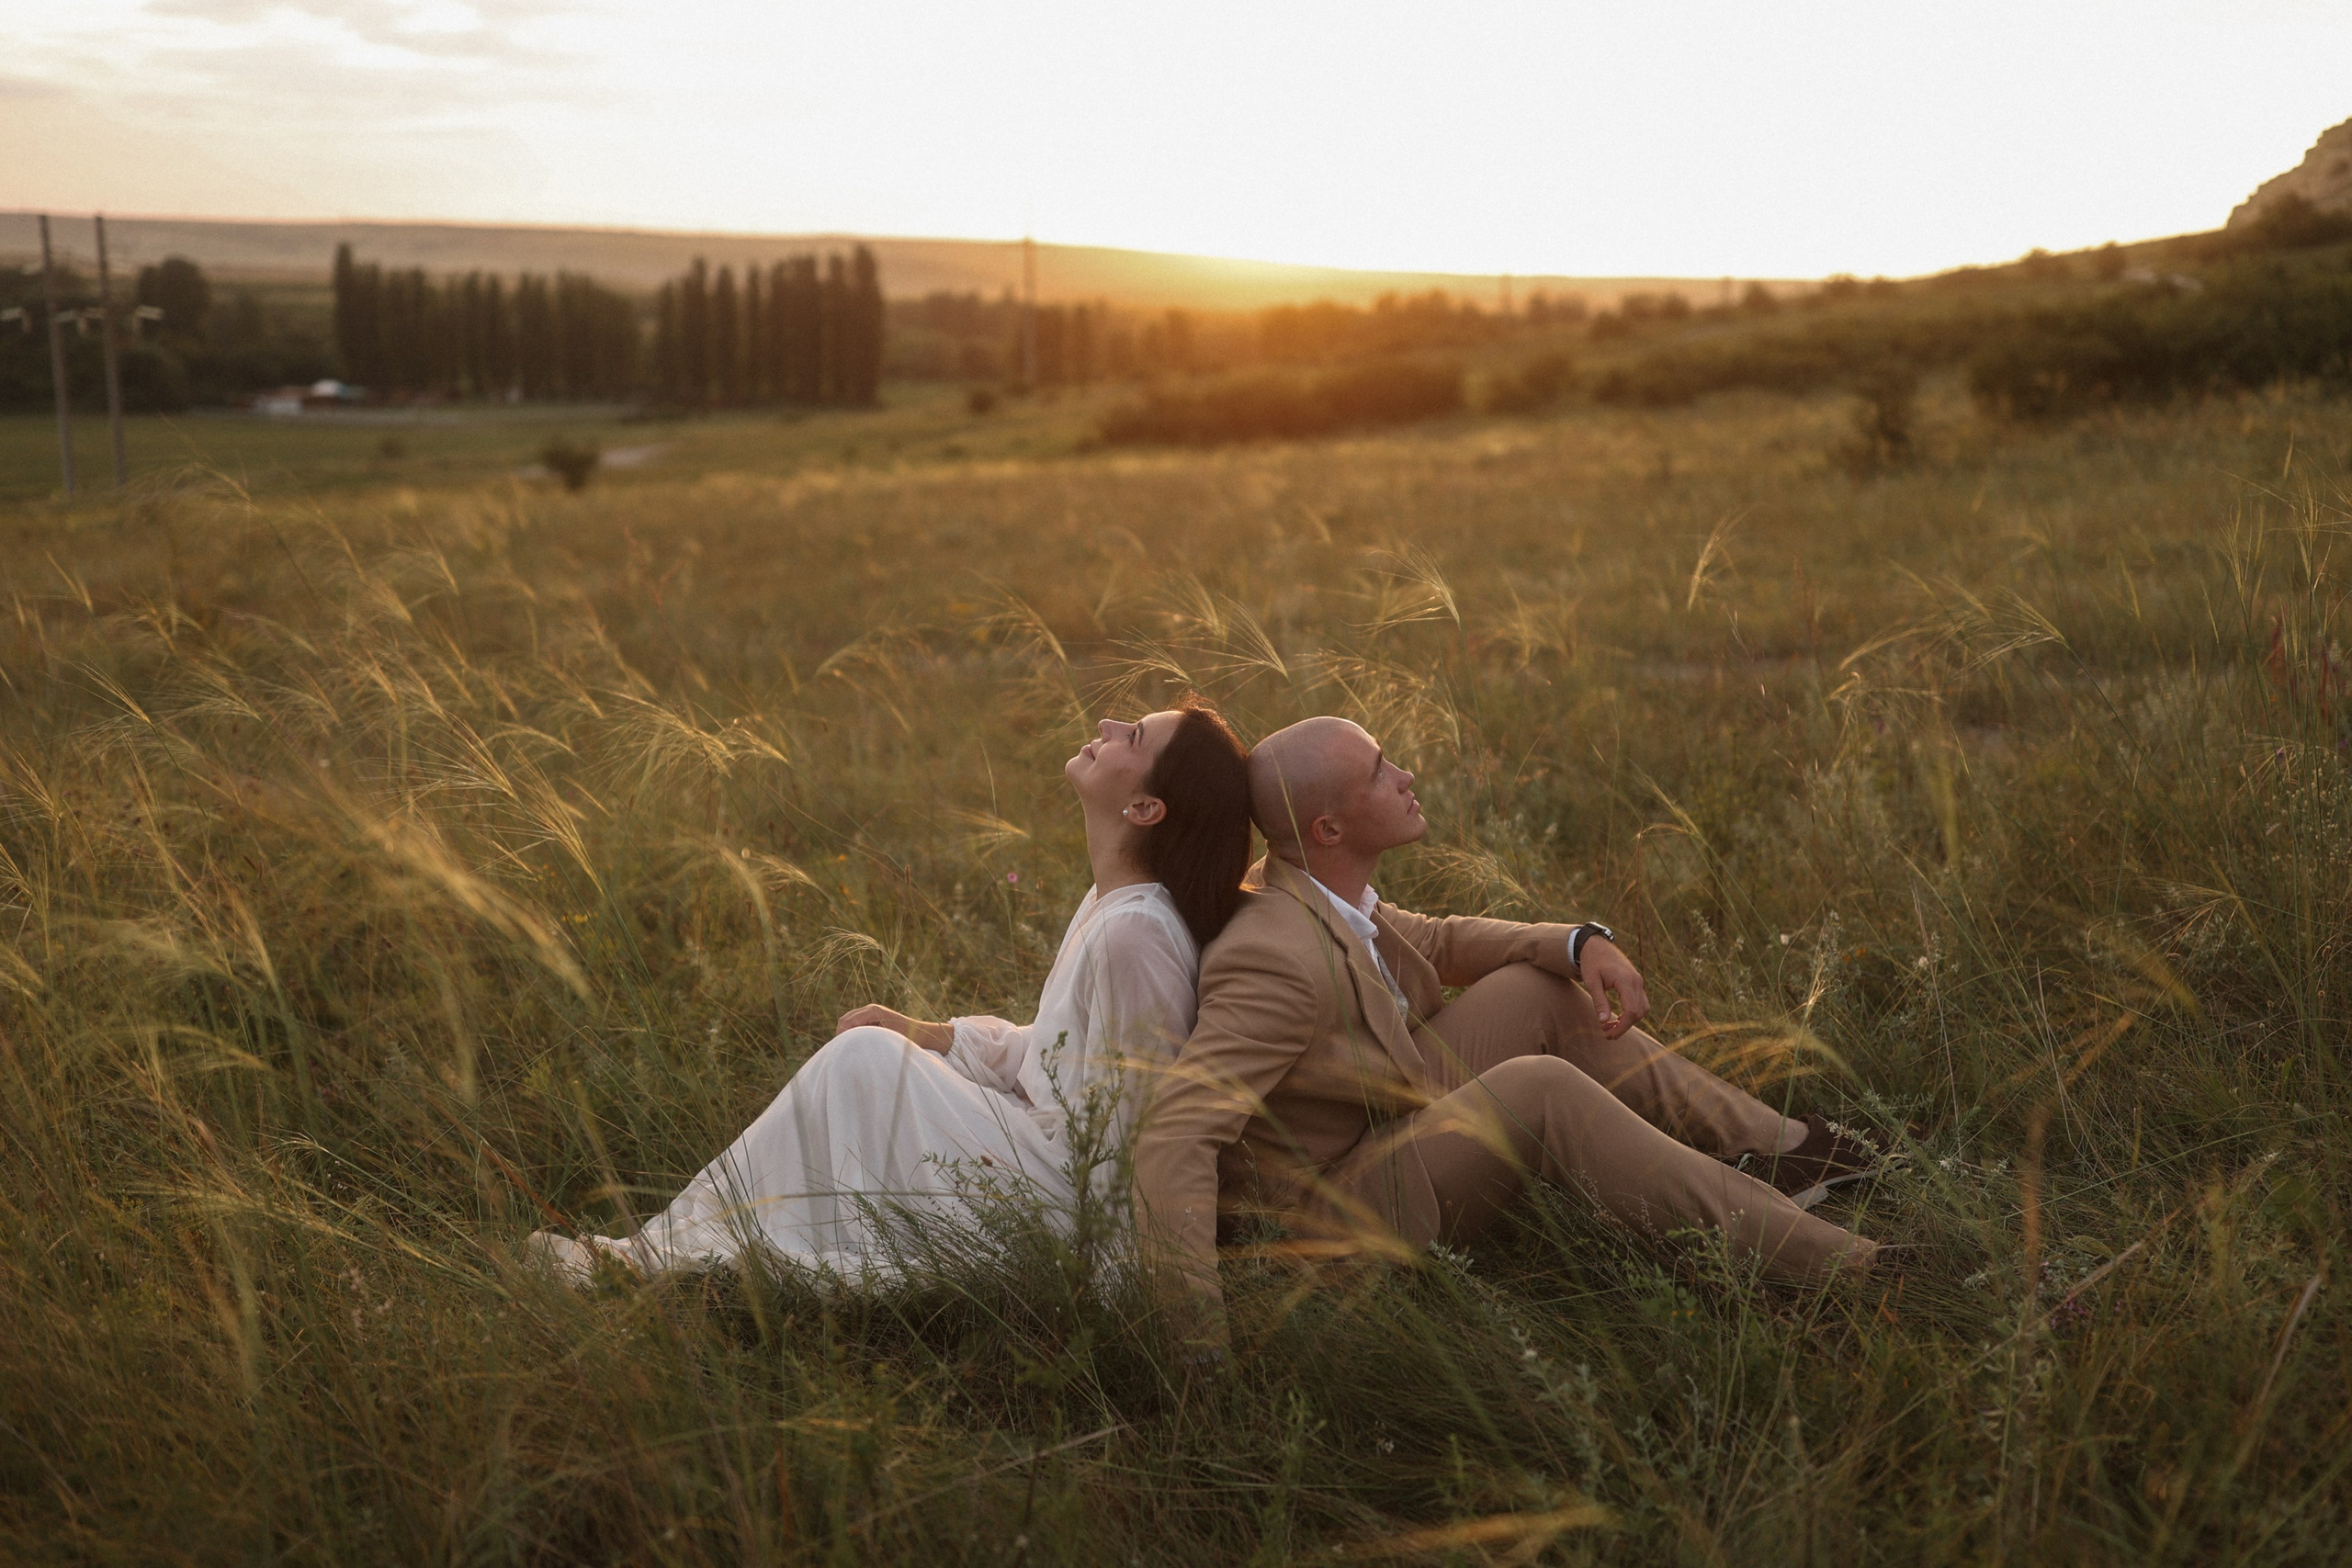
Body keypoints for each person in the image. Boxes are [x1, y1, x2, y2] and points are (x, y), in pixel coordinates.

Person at [1132, 716, 1888, 1351]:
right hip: (1335, 1214)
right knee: (1541, 1090)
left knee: (1538, 987)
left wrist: (1580, 941)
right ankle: (1849, 1268)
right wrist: (1199, 1353)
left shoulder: (1313, 885)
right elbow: (1177, 1136)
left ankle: (1788, 1153)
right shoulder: (1273, 955)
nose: (1405, 772)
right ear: (1328, 826)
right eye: (1378, 771)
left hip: (1381, 1118)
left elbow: (1438, 941)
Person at [530, 699, 1251, 1285]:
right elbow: (1062, 1052)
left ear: (1146, 809)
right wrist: (935, 1033)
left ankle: (653, 1261)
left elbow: (1142, 1129)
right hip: (1037, 1149)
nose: (1105, 723)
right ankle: (657, 1252)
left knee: (865, 1064)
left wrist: (1117, 1282)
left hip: (1059, 1201)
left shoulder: (1137, 936)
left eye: (1132, 736)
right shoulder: (1112, 903)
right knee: (872, 1054)